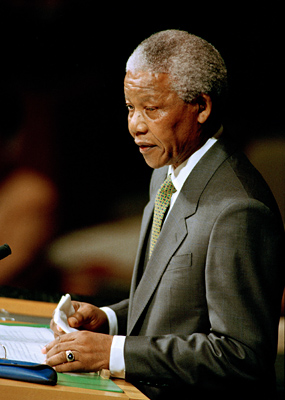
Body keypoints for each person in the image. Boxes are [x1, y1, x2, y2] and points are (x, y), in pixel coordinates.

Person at [43, 30, 284, 399]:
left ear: (201, 107)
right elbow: (179, 306)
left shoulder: (239, 210)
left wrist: (114, 352)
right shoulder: (166, 172)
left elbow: (241, 355)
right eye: (129, 108)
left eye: (152, 109)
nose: (135, 125)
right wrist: (109, 320)